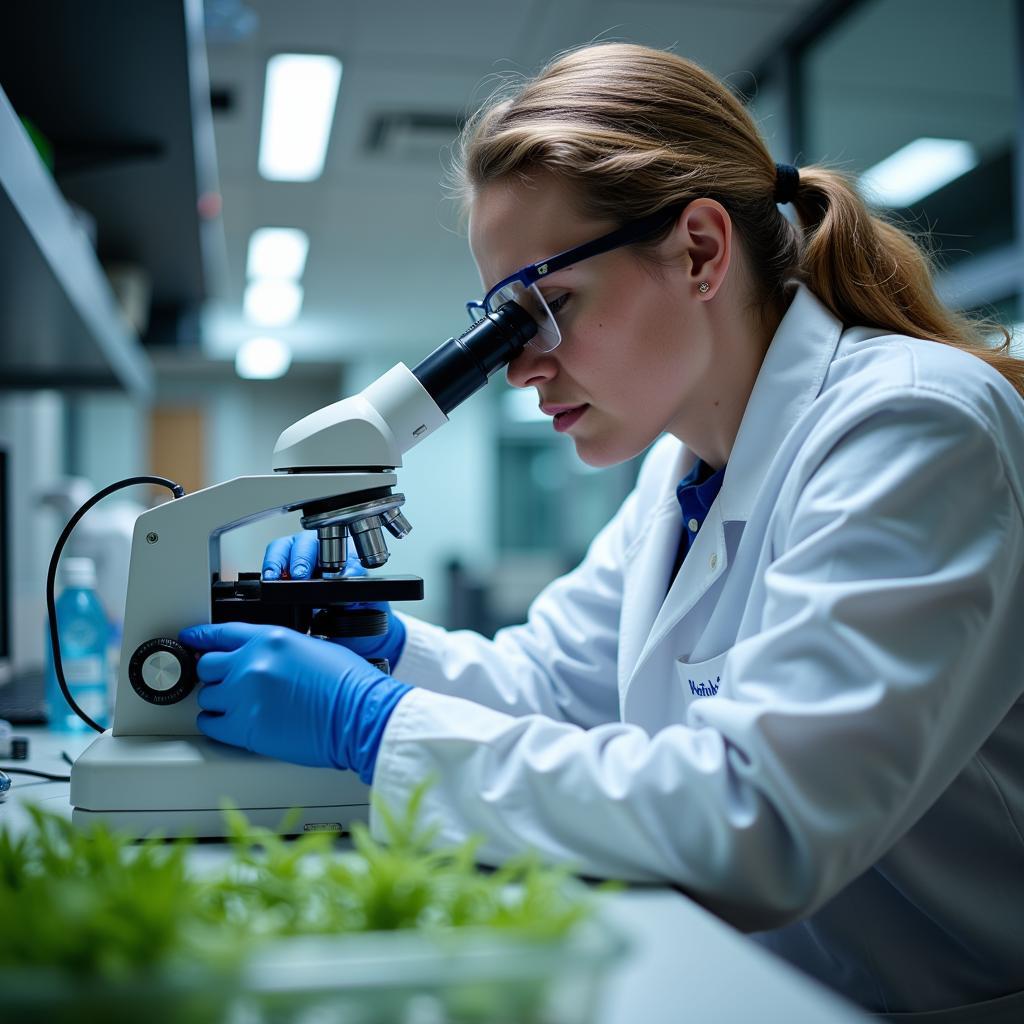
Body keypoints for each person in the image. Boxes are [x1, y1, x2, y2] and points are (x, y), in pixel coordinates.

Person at [181, 43, 1024, 1020]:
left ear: (700, 252)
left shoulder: (915, 425)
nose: (519, 366)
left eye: (542, 309)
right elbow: (550, 690)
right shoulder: (682, 467)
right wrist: (393, 653)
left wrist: (368, 725)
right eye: (497, 325)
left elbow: (760, 820)